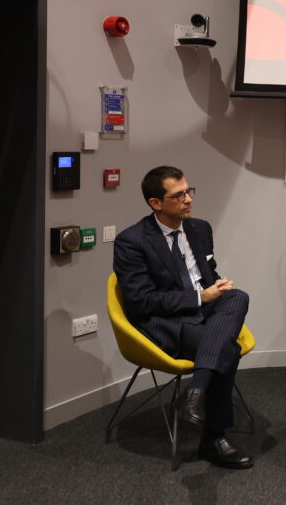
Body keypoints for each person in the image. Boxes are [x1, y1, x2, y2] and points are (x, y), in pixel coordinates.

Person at [113, 166, 253, 469]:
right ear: (156, 203)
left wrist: (216, 287)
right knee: (227, 349)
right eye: (178, 195)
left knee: (238, 296)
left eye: (189, 191)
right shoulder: (132, 241)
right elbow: (140, 302)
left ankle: (196, 390)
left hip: (203, 311)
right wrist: (200, 297)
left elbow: (207, 274)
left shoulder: (199, 228)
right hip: (166, 321)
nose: (188, 199)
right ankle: (213, 438)